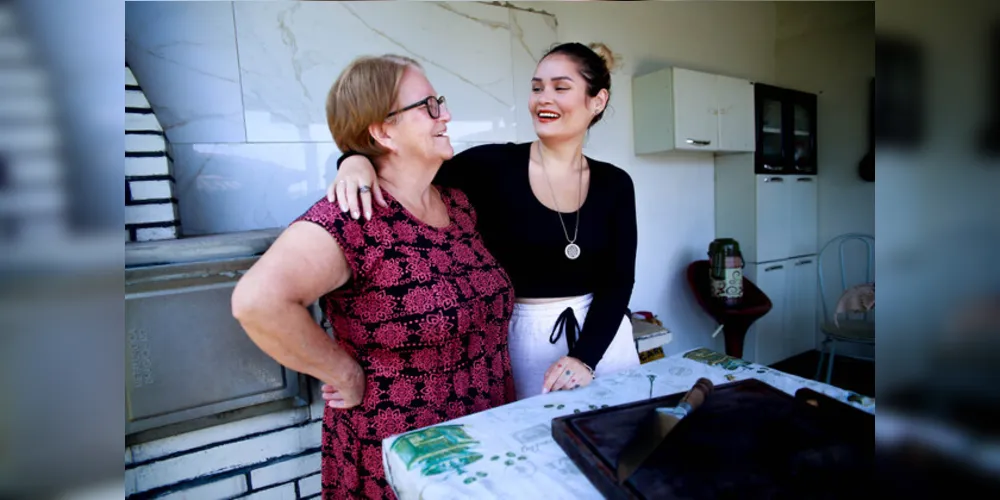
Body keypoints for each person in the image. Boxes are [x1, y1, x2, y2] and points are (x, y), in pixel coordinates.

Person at [231, 54, 517, 499]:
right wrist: (341, 372)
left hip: (484, 440)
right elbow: (257, 302)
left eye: (439, 101)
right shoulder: (353, 217)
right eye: (429, 106)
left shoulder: (458, 205)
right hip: (403, 460)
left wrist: (353, 159)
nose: (447, 115)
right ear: (383, 131)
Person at [328, 42, 640, 400]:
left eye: (561, 87)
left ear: (597, 101)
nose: (543, 98)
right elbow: (406, 168)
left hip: (604, 341)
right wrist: (353, 161)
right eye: (537, 87)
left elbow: (619, 281)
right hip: (522, 342)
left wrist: (586, 358)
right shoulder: (491, 167)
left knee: (624, 441)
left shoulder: (615, 184)